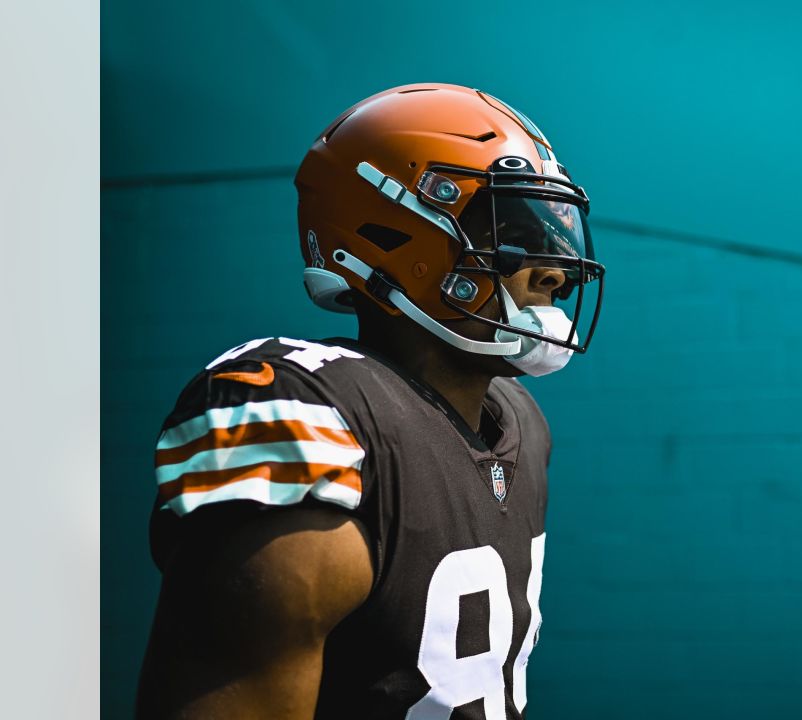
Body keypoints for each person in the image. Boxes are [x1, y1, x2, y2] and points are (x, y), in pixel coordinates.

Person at [135, 83, 605, 719]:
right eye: (515, 230)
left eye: (557, 231)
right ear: (392, 234)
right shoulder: (308, 414)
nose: (555, 268)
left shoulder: (519, 420)